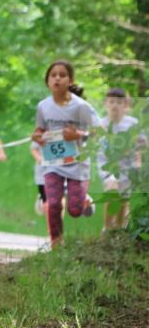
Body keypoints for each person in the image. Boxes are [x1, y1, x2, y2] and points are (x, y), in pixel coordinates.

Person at [31, 60, 98, 247]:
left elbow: (99, 132)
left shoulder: (81, 107)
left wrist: (78, 134)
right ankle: (56, 246)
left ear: (70, 80)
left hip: (78, 163)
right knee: (53, 204)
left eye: (62, 75)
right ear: (48, 81)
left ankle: (84, 199)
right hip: (54, 163)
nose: (57, 78)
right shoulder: (43, 106)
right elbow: (40, 129)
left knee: (75, 210)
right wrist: (37, 136)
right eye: (53, 75)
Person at [97, 87, 146, 230]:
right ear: (106, 104)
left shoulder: (132, 124)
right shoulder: (101, 124)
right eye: (111, 102)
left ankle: (119, 228)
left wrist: (138, 162)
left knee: (123, 199)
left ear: (126, 106)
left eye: (119, 102)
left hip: (128, 166)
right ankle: (106, 228)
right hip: (107, 165)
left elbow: (141, 145)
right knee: (112, 191)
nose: (115, 105)